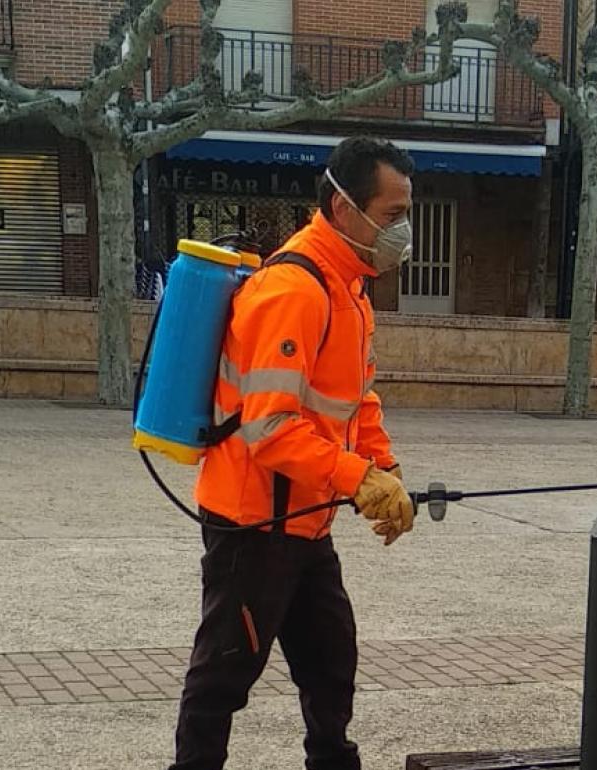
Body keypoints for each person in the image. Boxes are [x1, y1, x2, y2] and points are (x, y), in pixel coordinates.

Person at [169, 136, 418, 770]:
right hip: (254, 522)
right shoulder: (294, 291)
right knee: (224, 672)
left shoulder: (351, 291)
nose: (403, 230)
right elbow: (269, 428)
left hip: (307, 520)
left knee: (331, 661)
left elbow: (357, 401)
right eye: (392, 215)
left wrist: (383, 470)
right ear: (343, 207)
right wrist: (356, 478)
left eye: (405, 213)